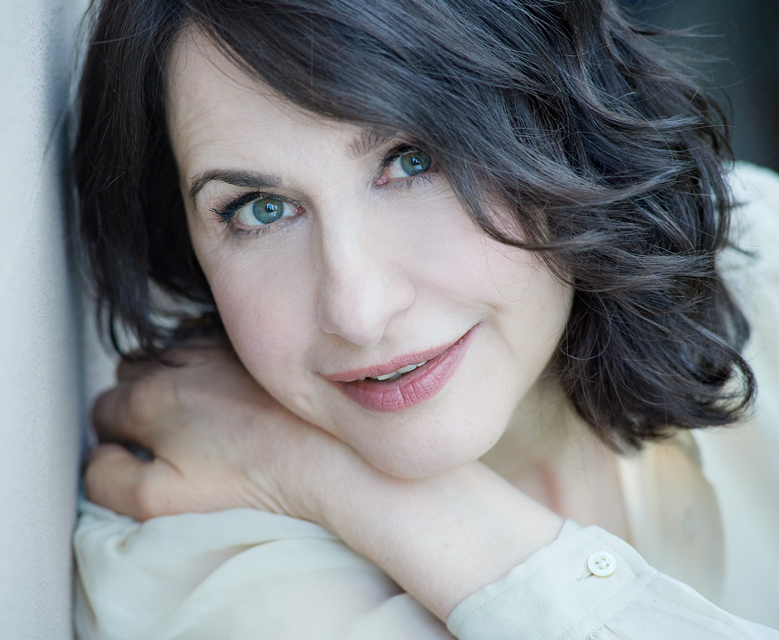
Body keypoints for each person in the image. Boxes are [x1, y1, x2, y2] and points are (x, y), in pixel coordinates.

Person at [69, 0, 779, 637]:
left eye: (412, 161)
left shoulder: (759, 263)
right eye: (262, 210)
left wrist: (369, 493)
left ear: (560, 118)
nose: (359, 311)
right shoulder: (209, 576)